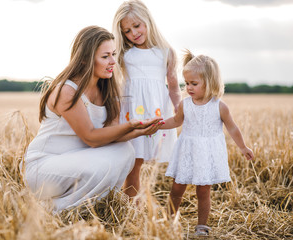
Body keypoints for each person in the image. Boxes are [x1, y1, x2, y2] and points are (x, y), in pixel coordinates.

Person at [21, 25, 163, 212]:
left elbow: (111, 135)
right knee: (101, 166)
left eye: (113, 54)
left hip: (78, 162)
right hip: (44, 168)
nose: (113, 61)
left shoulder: (108, 90)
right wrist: (129, 125)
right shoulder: (67, 90)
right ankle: (56, 209)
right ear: (84, 60)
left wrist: (138, 131)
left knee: (126, 151)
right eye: (105, 56)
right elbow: (91, 137)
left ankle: (91, 207)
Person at [159, 50, 254, 236]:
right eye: (186, 83)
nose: (189, 87)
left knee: (203, 193)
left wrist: (243, 147)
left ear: (210, 82)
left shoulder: (219, 106)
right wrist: (158, 125)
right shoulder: (185, 104)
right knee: (176, 189)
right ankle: (168, 221)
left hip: (207, 154)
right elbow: (176, 121)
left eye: (194, 83)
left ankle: (201, 226)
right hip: (187, 151)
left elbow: (232, 128)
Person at [112, 0, 182, 198]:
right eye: (127, 31)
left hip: (156, 110)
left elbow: (174, 86)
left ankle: (141, 206)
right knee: (133, 161)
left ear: (148, 21)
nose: (133, 33)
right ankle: (129, 207)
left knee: (144, 160)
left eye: (137, 26)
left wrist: (179, 107)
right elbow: (115, 83)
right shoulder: (124, 53)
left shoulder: (166, 52)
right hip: (132, 110)